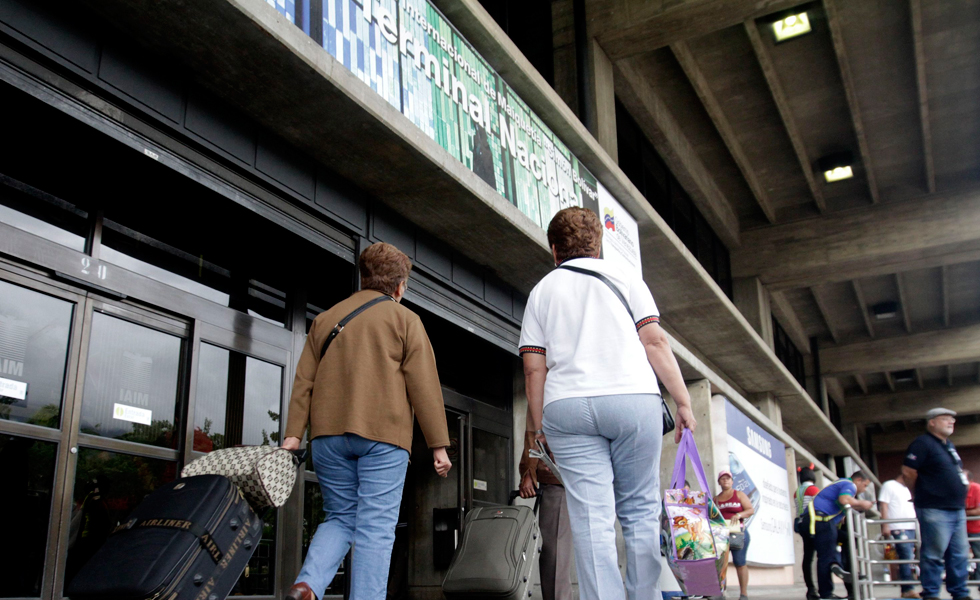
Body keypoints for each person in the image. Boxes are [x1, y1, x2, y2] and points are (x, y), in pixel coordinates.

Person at [519, 207, 697, 600]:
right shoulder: (626, 277)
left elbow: (534, 369)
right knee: (639, 512)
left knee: (590, 519)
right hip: (634, 400)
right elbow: (655, 342)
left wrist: (537, 429)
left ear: (554, 249)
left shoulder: (542, 291)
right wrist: (682, 401)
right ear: (597, 244)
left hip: (568, 407)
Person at [281, 242, 453, 600]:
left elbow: (303, 382)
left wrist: (293, 436)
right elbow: (424, 385)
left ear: (364, 278)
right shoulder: (405, 320)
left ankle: (308, 584)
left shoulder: (326, 319)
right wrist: (438, 444)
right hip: (383, 436)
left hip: (327, 436)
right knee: (375, 529)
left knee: (340, 518)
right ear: (400, 286)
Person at [903, 407, 971, 600]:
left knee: (959, 555)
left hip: (956, 508)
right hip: (934, 507)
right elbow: (908, 471)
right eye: (946, 419)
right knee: (934, 554)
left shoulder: (948, 445)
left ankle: (960, 593)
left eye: (953, 420)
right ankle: (931, 593)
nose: (951, 422)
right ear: (932, 421)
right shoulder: (922, 443)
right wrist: (918, 494)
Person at [519, 405, 572, 600]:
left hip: (588, 474)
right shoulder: (547, 379)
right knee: (554, 554)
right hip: (558, 476)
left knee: (599, 550)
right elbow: (533, 427)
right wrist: (529, 470)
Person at [806, 471, 874, 600]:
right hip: (820, 520)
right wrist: (863, 503)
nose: (864, 489)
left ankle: (842, 567)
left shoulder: (840, 485)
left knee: (845, 540)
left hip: (814, 521)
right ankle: (836, 573)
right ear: (858, 480)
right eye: (865, 485)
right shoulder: (849, 484)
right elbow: (844, 499)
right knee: (826, 556)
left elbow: (841, 503)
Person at [715, 470, 755, 600]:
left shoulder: (739, 494)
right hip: (722, 535)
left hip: (739, 533)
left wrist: (738, 515)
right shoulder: (716, 498)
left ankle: (744, 594)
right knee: (721, 564)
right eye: (723, 478)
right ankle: (721, 593)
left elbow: (750, 510)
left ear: (732, 481)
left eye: (728, 478)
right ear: (719, 482)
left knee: (740, 562)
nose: (725, 480)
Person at [877, 471, 919, 598]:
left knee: (909, 557)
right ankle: (907, 588)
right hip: (899, 527)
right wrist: (885, 524)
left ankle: (908, 587)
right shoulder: (889, 485)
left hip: (910, 526)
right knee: (905, 556)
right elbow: (884, 505)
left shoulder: (906, 489)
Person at [794, 467, 820, 600]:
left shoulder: (797, 491)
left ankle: (810, 589)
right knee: (821, 556)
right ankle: (821, 588)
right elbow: (819, 505)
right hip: (813, 524)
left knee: (807, 557)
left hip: (801, 524)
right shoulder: (813, 489)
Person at [967, 470, 980, 582]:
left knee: (978, 554)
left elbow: (979, 511)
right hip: (958, 529)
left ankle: (978, 579)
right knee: (957, 554)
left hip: (976, 529)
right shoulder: (956, 488)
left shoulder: (977, 489)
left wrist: (962, 512)